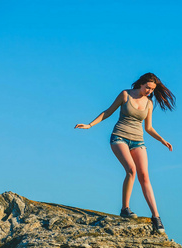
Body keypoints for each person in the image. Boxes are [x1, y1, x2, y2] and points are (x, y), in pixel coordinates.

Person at [74, 73, 176, 234]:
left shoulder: (149, 103)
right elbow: (108, 112)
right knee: (131, 170)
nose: (150, 91)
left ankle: (156, 217)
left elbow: (148, 128)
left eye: (152, 89)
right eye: (147, 87)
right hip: (119, 137)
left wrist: (162, 140)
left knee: (144, 177)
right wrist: (90, 125)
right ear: (141, 84)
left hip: (138, 141)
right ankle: (125, 209)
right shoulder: (125, 94)